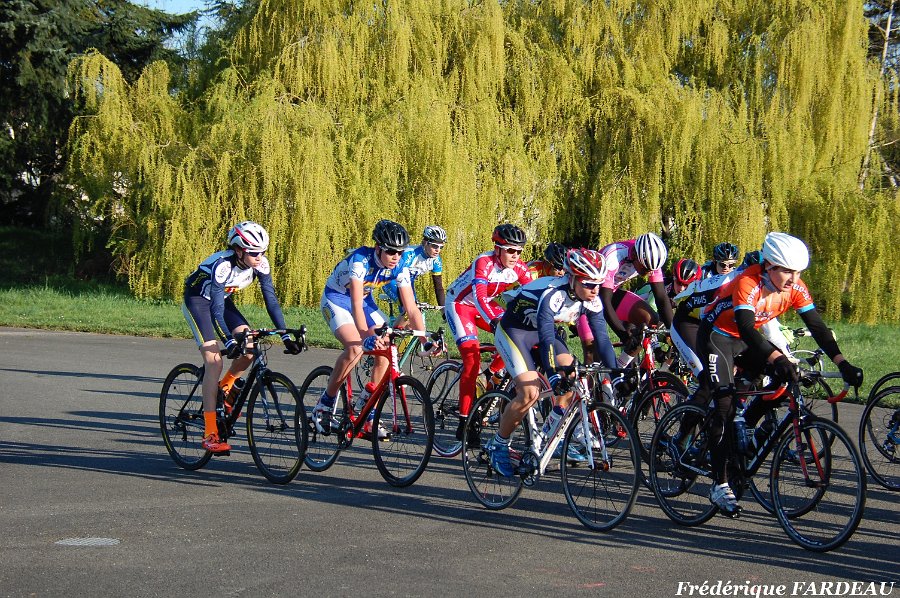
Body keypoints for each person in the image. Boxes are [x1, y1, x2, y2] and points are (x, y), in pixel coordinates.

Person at [691, 232, 863, 517]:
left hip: (745, 341)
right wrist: (777, 357)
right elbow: (747, 328)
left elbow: (817, 327)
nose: (794, 279)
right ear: (769, 265)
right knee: (724, 405)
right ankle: (719, 484)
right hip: (716, 337)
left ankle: (745, 431)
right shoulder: (748, 281)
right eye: (787, 271)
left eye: (798, 272)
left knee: (785, 380)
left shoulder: (795, 287)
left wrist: (843, 363)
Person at [486, 248, 618, 476]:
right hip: (515, 332)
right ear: (572, 278)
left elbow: (602, 339)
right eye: (588, 283)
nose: (595, 290)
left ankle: (551, 433)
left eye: (598, 284)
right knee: (529, 393)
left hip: (541, 333)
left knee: (573, 379)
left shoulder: (592, 299)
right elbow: (547, 336)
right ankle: (498, 444)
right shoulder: (553, 294)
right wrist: (553, 374)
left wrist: (617, 376)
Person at [182, 221, 302, 453]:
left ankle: (224, 390)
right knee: (214, 362)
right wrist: (227, 339)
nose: (260, 257)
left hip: (222, 301)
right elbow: (216, 309)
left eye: (263, 252)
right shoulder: (222, 266)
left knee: (249, 348)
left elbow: (271, 301)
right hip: (199, 302)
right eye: (254, 253)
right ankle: (210, 433)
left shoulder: (261, 264)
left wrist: (285, 336)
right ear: (238, 250)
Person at [312, 220, 425, 439]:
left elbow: (411, 308)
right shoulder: (360, 260)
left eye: (400, 252)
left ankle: (368, 406)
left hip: (365, 301)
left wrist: (424, 341)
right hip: (337, 300)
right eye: (391, 251)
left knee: (387, 347)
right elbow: (355, 304)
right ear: (378, 248)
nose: (396, 257)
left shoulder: (400, 265)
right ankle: (324, 404)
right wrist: (365, 337)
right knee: (355, 348)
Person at [444, 224, 532, 441]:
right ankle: (464, 420)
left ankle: (490, 374)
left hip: (484, 305)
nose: (515, 255)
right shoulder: (484, 262)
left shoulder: (519, 268)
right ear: (497, 248)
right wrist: (493, 322)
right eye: (510, 250)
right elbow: (480, 297)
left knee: (518, 336)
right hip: (460, 305)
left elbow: (534, 296)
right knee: (471, 361)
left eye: (519, 251)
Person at [578, 232, 674, 365]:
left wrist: (674, 334)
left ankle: (621, 367)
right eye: (645, 268)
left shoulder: (650, 261)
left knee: (650, 319)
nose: (649, 272)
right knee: (592, 350)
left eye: (652, 269)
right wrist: (624, 335)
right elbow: (605, 301)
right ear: (634, 255)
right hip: (587, 297)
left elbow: (661, 297)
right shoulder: (614, 255)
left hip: (611, 292)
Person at [381, 225, 447, 326]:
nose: (438, 250)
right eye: (434, 246)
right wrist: (408, 306)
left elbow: (438, 288)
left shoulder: (436, 261)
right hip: (391, 280)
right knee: (410, 311)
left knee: (414, 318)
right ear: (424, 243)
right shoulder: (409, 254)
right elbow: (395, 275)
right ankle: (392, 333)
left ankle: (404, 332)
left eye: (441, 247)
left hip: (408, 283)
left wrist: (444, 312)